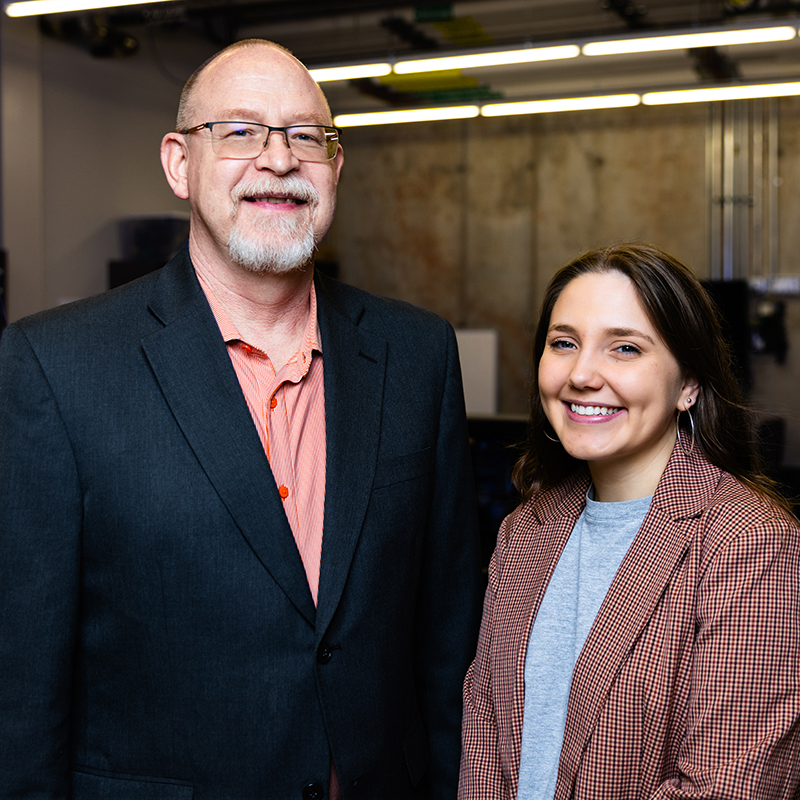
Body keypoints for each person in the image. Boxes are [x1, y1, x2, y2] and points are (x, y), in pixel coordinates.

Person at [0, 39, 482, 799]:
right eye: (240, 132)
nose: (279, 160)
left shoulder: (417, 354)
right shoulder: (56, 365)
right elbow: (21, 677)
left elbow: (448, 632)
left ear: (335, 165)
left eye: (305, 136)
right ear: (178, 163)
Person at [459, 243, 800, 799]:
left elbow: (731, 786)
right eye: (563, 343)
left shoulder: (751, 541)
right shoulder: (524, 531)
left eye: (624, 349)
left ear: (688, 384)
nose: (583, 374)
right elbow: (483, 740)